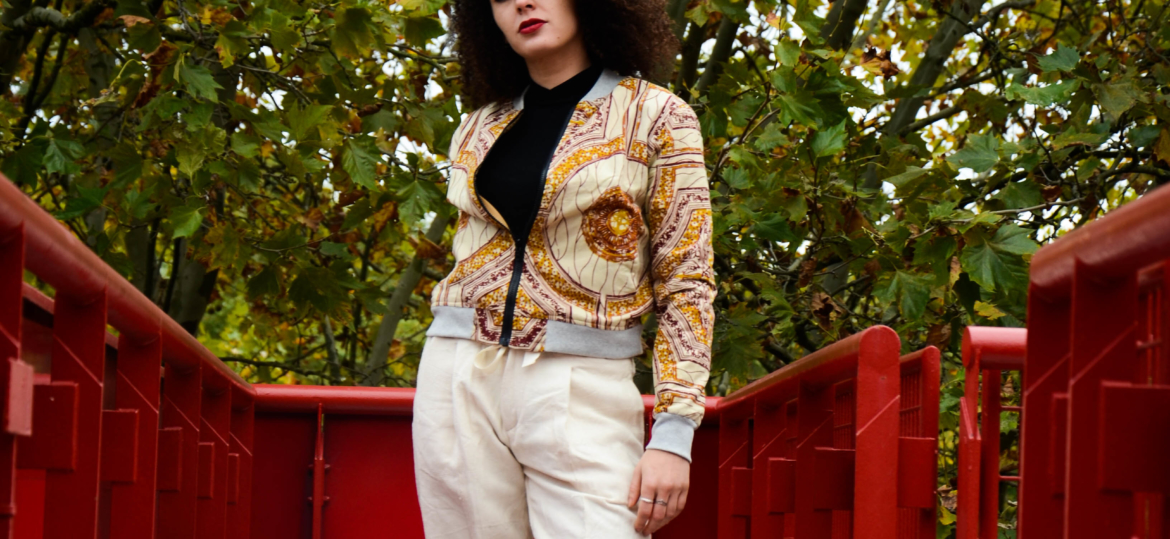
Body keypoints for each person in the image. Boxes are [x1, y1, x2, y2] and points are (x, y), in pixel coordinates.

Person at [411, 0, 715, 536]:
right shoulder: (478, 125)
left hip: (581, 381)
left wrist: (674, 432)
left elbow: (686, 280)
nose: (522, 2)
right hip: (456, 371)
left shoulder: (656, 116)